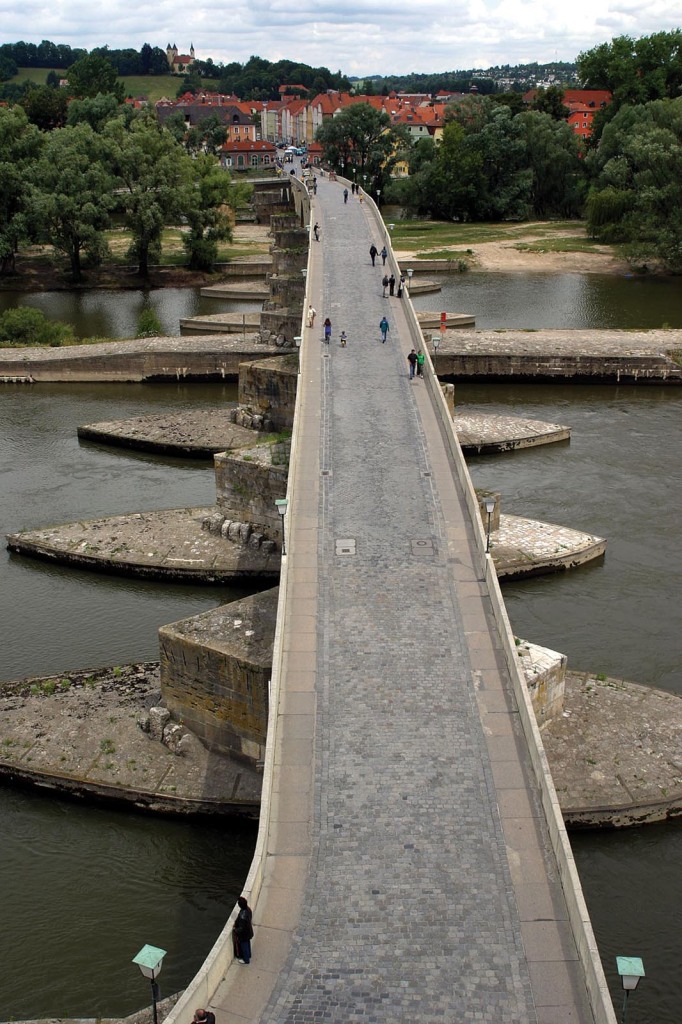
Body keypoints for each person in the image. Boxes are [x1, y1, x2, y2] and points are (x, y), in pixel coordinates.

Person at [233, 895, 253, 964]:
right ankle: (248, 955)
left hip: (244, 934)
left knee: (244, 946)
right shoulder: (248, 910)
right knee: (247, 944)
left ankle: (246, 960)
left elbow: (241, 928)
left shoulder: (242, 916)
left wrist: (235, 930)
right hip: (249, 931)